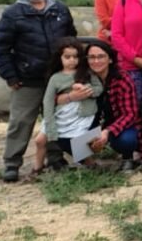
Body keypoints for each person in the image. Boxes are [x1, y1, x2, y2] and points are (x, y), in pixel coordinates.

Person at [0, 0, 77, 182]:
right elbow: (1, 48)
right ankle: (12, 163)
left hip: (57, 77)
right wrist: (10, 76)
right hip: (27, 79)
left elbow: (72, 40)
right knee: (21, 122)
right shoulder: (12, 14)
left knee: (56, 119)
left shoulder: (60, 9)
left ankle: (56, 158)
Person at [29, 38, 103, 177]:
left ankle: (90, 164)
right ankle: (37, 168)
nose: (72, 60)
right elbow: (48, 101)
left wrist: (86, 90)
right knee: (40, 140)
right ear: (60, 57)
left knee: (78, 142)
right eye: (67, 57)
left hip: (80, 114)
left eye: (75, 57)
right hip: (61, 114)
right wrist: (49, 123)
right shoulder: (55, 78)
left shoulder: (87, 73)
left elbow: (99, 88)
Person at [84, 39, 142, 173]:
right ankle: (88, 162)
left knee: (126, 139)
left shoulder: (122, 78)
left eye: (101, 57)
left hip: (118, 126)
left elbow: (130, 114)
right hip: (93, 124)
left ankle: (127, 158)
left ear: (110, 59)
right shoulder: (84, 79)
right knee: (68, 139)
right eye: (92, 57)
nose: (96, 61)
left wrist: (107, 131)